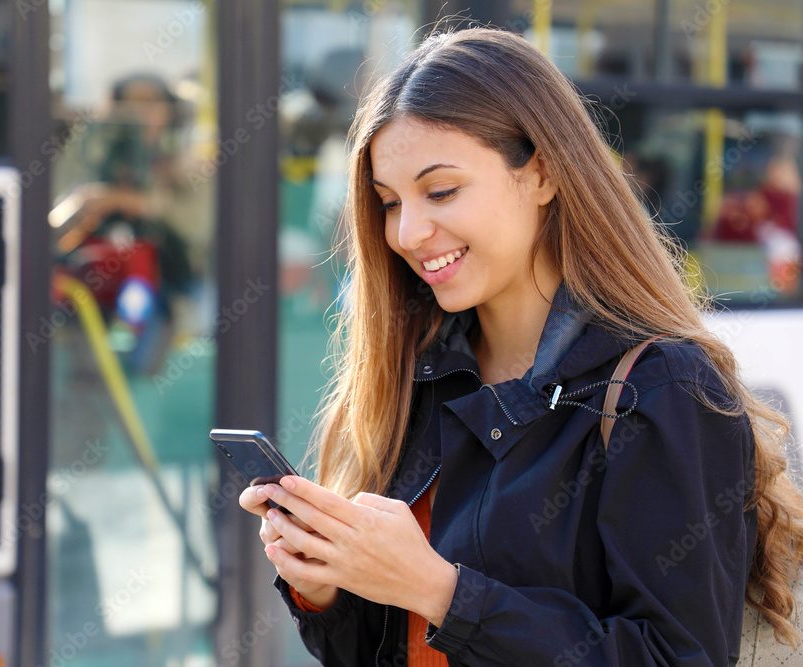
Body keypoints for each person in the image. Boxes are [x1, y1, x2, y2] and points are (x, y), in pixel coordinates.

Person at [237, 27, 803, 666]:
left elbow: (681, 657)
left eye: (442, 190)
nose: (409, 231)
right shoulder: (417, 377)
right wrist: (324, 586)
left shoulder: (662, 387)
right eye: (389, 202)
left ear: (541, 172)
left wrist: (440, 591)